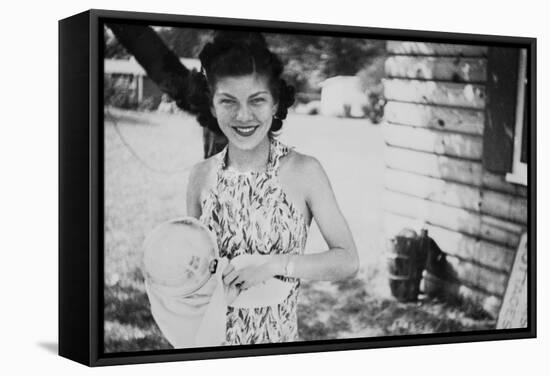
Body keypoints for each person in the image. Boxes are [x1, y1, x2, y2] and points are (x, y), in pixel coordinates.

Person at [186, 31, 359, 345]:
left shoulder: (305, 171)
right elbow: (196, 275)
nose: (243, 116)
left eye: (257, 100)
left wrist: (274, 264)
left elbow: (347, 260)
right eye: (228, 101)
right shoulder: (200, 177)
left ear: (276, 102)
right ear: (212, 105)